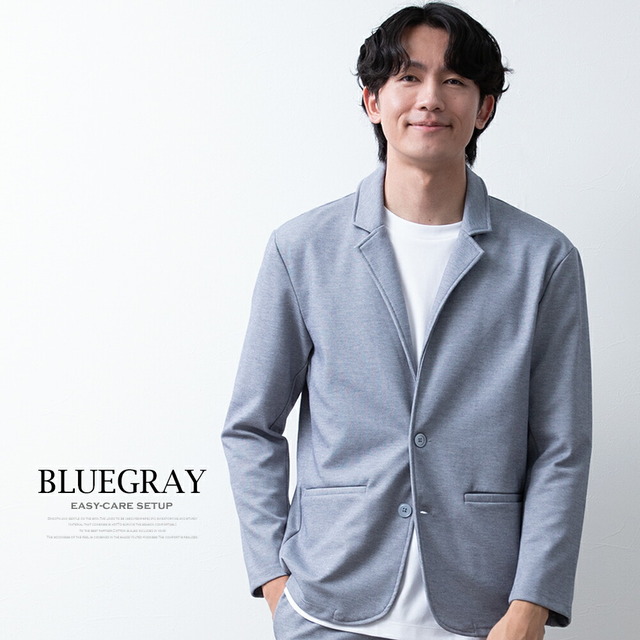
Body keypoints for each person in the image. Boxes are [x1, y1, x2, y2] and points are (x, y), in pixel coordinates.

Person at [222, 3, 592, 640]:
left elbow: (562, 446)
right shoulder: (302, 249)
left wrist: (531, 604)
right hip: (326, 606)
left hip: (485, 611)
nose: (430, 99)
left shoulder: (544, 259)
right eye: (408, 77)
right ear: (372, 100)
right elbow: (250, 427)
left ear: (484, 108)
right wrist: (276, 583)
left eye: (455, 80)